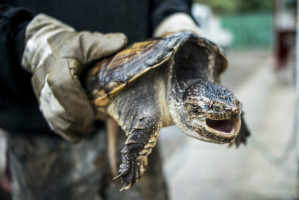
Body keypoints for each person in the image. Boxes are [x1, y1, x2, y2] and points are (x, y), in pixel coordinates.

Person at [0, 1, 202, 199]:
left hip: (139, 107)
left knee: (146, 128)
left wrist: (173, 14)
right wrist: (25, 38)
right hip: (44, 124)